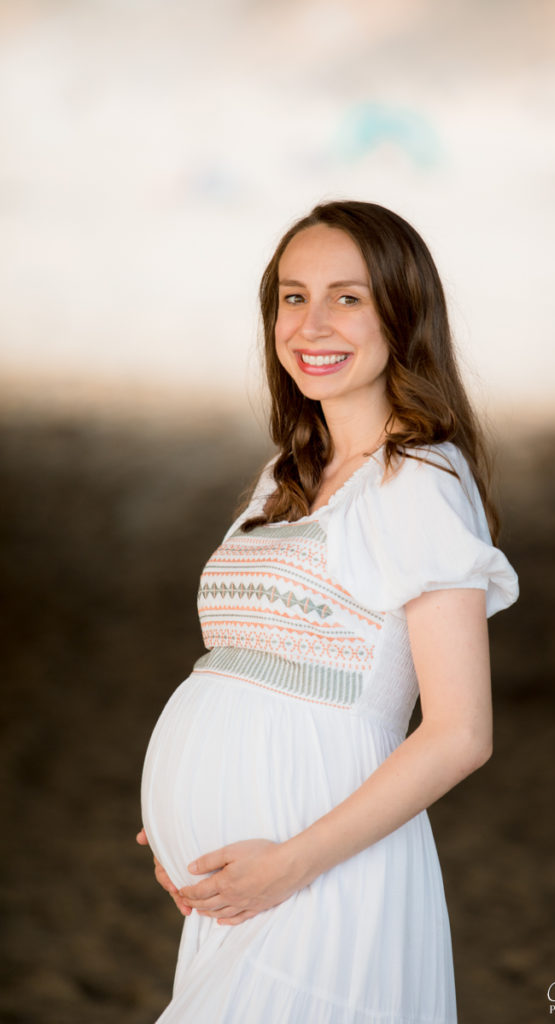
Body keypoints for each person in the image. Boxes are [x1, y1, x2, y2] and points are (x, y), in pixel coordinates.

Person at [136, 199, 518, 1023]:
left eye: (347, 296)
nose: (311, 322)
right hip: (244, 888)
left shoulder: (417, 480)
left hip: (320, 879)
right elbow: (249, 670)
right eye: (292, 295)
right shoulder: (289, 471)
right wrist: (181, 815)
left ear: (401, 313)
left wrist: (290, 864)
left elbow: (460, 733)